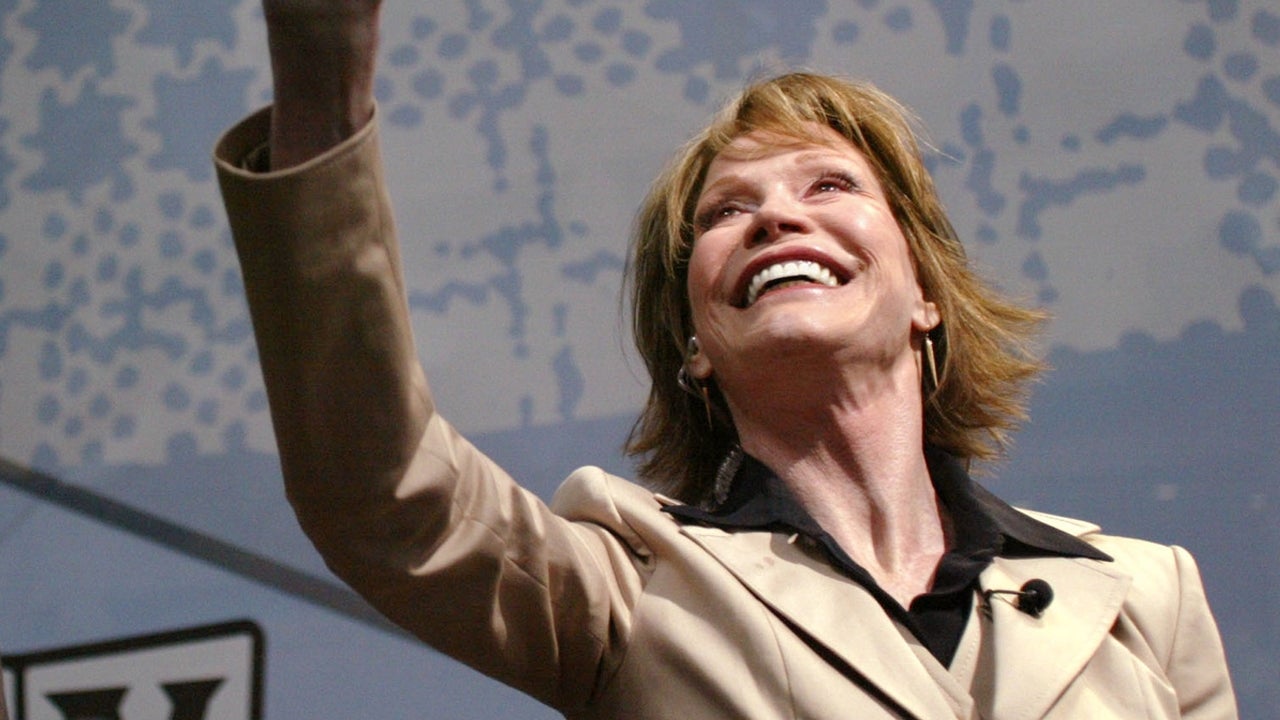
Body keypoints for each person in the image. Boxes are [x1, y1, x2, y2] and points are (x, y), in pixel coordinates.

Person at [214, 2, 1238, 718]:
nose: (775, 218)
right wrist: (323, 86)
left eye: (828, 186)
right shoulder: (631, 587)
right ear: (696, 347)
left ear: (926, 294)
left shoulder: (1143, 597)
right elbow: (381, 491)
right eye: (724, 213)